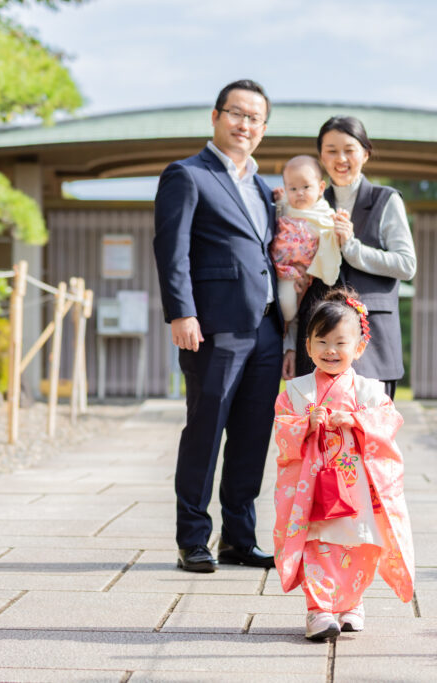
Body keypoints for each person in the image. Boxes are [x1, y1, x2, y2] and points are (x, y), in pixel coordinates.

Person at [153, 79, 281, 573]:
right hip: (214, 328)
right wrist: (181, 312)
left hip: (267, 329)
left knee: (253, 435)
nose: (244, 124)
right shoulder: (187, 175)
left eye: (254, 119)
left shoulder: (261, 187)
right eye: (236, 114)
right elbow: (172, 249)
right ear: (216, 116)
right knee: (206, 432)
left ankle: (239, 538)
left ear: (263, 129)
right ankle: (193, 539)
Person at [272, 286, 415, 641]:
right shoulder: (295, 391)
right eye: (321, 342)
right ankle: (318, 610)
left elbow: (388, 424)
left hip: (357, 488)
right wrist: (307, 424)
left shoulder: (370, 391)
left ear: (359, 347)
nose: (330, 351)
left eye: (340, 342)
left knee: (360, 542)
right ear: (308, 346)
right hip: (313, 487)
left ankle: (352, 603)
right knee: (316, 542)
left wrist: (357, 422)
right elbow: (282, 432)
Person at [283, 116, 417, 400]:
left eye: (349, 149)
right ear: (321, 156)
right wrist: (291, 344)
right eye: (331, 150)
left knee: (369, 436)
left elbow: (406, 264)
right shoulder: (310, 201)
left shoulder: (386, 199)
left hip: (373, 339)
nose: (340, 158)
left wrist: (353, 249)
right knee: (318, 435)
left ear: (365, 153)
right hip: (318, 337)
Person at [270, 155, 344, 325]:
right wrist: (280, 201)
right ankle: (287, 327)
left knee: (300, 306)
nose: (300, 193)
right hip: (283, 269)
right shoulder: (286, 208)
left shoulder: (324, 215)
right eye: (293, 189)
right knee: (286, 304)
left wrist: (339, 226)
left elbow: (331, 239)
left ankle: (291, 327)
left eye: (306, 187)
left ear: (320, 188)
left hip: (306, 271)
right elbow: (277, 216)